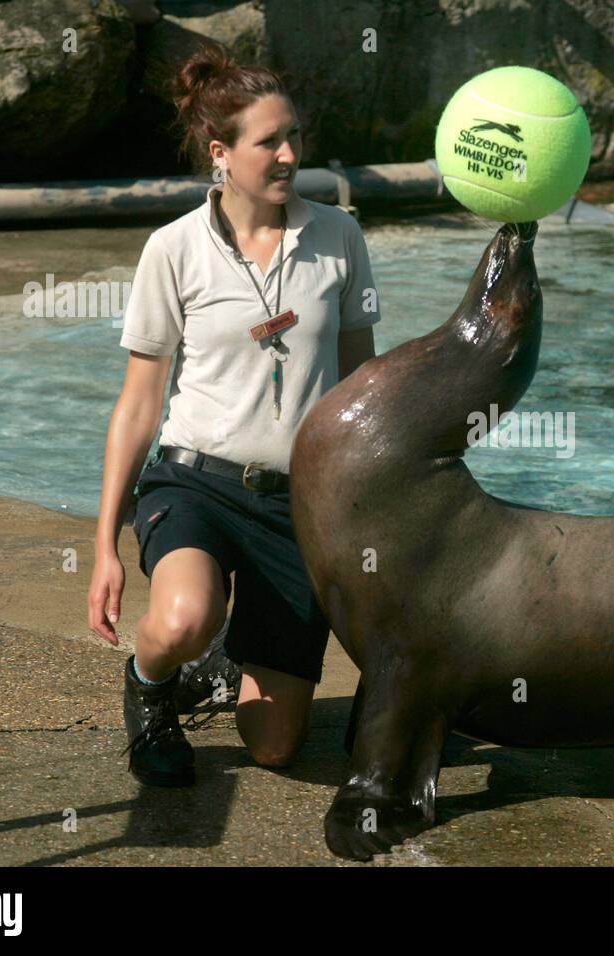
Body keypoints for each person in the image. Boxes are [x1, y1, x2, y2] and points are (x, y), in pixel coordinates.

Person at [86, 44, 380, 786]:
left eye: (294, 138)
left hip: (299, 507)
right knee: (183, 616)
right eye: (268, 142)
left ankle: (218, 668)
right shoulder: (173, 249)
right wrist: (102, 547)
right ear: (221, 153)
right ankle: (151, 687)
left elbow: (360, 385)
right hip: (197, 485)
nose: (289, 155)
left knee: (278, 749)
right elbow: (139, 404)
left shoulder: (340, 237)